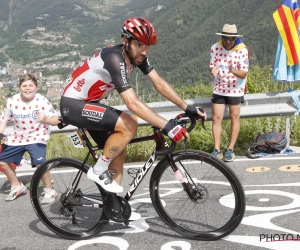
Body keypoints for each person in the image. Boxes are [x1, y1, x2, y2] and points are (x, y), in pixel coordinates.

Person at [60, 17, 206, 215]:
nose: (144, 51)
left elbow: (159, 83)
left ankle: (111, 205)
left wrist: (186, 107)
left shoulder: (137, 57)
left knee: (118, 149)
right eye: (139, 45)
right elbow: (132, 103)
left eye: (147, 46)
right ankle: (98, 170)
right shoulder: (114, 58)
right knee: (129, 123)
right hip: (73, 104)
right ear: (126, 41)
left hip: (90, 104)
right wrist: (167, 125)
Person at [0, 73, 60, 202]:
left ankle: (49, 189)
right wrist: (0, 133)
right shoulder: (12, 101)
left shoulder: (42, 100)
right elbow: (4, 119)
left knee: (40, 162)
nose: (27, 88)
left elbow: (56, 120)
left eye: (30, 85)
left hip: (37, 136)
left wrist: (46, 120)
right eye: (24, 85)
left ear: (36, 87)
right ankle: (16, 186)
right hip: (18, 136)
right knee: (2, 161)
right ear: (19, 87)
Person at [209, 24, 249, 162]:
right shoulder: (215, 47)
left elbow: (243, 74)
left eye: (230, 39)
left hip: (235, 89)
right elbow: (212, 65)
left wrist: (232, 71)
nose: (227, 41)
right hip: (219, 87)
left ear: (235, 38)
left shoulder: (242, 50)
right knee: (216, 119)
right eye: (225, 38)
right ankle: (216, 149)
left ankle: (230, 150)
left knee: (234, 118)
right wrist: (213, 70)